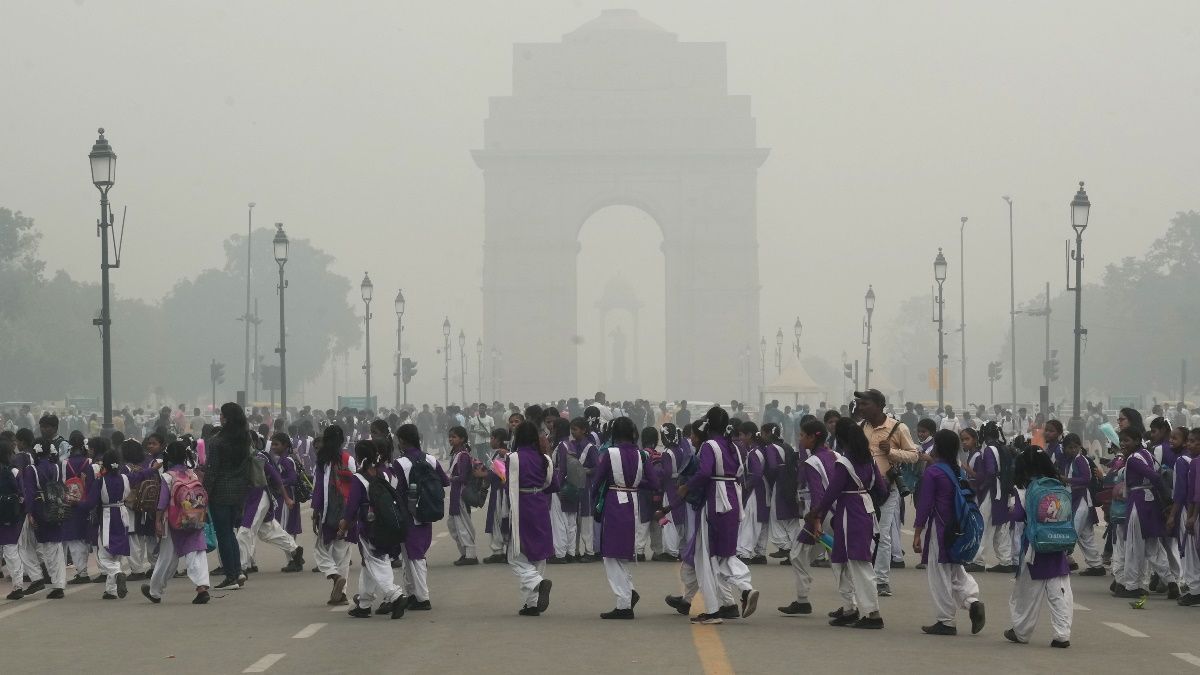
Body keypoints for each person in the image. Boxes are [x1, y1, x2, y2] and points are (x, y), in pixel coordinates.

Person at [805, 417, 887, 629]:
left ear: (840, 439)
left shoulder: (844, 463)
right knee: (840, 560)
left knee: (859, 563)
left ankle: (873, 613)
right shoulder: (869, 459)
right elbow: (882, 489)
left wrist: (817, 515)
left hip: (849, 513)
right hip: (864, 508)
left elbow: (831, 493)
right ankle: (850, 608)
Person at [680, 406, 760, 625]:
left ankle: (718, 607)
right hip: (733, 499)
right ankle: (741, 591)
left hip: (715, 500)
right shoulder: (732, 446)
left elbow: (705, 472)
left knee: (705, 555)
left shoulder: (709, 445)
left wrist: (688, 486)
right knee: (723, 552)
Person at [912, 429, 985, 636]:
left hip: (941, 527)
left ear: (938, 447)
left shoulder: (933, 472)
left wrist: (917, 533)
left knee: (939, 573)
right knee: (955, 570)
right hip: (959, 527)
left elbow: (924, 507)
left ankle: (946, 621)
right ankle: (972, 602)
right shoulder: (958, 470)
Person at [591, 416, 659, 619]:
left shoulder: (610, 454)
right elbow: (654, 483)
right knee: (622, 552)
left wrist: (596, 500)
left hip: (614, 500)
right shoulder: (642, 455)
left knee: (611, 554)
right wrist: (636, 483)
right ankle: (628, 592)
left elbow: (598, 481)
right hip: (633, 502)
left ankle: (624, 603)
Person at [1004, 448, 1073, 648]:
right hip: (1057, 543)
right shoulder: (1058, 487)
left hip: (1034, 547)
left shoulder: (1024, 489)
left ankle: (1021, 632)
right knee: (1060, 591)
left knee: (1026, 593)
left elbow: (1016, 516)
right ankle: (1062, 634)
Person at [853, 389, 919, 598]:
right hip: (863, 489)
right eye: (860, 404)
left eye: (865, 404)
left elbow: (913, 455)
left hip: (887, 488)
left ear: (879, 406)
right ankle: (865, 577)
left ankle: (881, 580)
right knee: (864, 534)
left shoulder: (898, 428)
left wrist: (891, 452)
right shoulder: (859, 428)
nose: (860, 408)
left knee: (882, 534)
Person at [340, 440, 408, 619]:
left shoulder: (358, 478)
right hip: (385, 524)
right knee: (368, 564)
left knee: (376, 561)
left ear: (360, 457)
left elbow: (352, 506)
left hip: (368, 527)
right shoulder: (382, 475)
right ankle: (364, 603)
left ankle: (395, 595)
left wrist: (344, 526)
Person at [142, 441, 211, 605]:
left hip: (173, 521)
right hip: (194, 517)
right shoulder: (192, 474)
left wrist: (158, 522)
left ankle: (155, 591)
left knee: (167, 557)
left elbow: (162, 502)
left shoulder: (168, 476)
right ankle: (202, 587)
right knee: (197, 551)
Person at [1114, 426, 1179, 598]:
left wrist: (1167, 498)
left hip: (1138, 503)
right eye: (1121, 440)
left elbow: (1155, 477)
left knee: (1134, 547)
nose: (1123, 444)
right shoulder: (1147, 455)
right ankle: (1171, 582)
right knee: (1154, 548)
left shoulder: (1134, 459)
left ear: (1137, 441)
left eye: (1127, 440)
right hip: (1150, 503)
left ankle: (1132, 586)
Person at [780, 418, 834, 616]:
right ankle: (850, 604)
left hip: (819, 516)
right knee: (837, 559)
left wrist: (816, 520)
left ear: (812, 437)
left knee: (797, 554)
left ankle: (803, 600)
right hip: (833, 514)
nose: (800, 438)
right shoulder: (832, 455)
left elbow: (818, 493)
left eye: (802, 435)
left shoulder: (812, 462)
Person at [393, 423, 449, 610]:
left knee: (414, 556)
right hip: (427, 511)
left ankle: (422, 597)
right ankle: (412, 593)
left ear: (401, 440)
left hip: (408, 514)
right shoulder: (430, 459)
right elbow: (445, 481)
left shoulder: (400, 463)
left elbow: (397, 490)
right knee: (413, 555)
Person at [506, 420, 558, 616]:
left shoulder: (514, 457)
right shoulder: (545, 458)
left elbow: (509, 486)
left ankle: (538, 583)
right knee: (538, 555)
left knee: (516, 555)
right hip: (540, 504)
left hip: (522, 505)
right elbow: (552, 484)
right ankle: (531, 603)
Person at [202, 402, 252, 591]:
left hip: (220, 492)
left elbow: (212, 471)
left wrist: (205, 492)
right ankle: (238, 570)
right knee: (230, 532)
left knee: (223, 534)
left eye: (222, 414)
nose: (220, 417)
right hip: (238, 491)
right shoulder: (244, 439)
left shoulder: (217, 441)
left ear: (227, 418)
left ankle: (231, 575)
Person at [21, 433, 69, 599]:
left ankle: (38, 577)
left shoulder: (31, 469)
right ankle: (59, 583)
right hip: (55, 507)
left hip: (40, 509)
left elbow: (30, 493)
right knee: (55, 548)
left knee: (25, 545)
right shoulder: (55, 467)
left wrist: (29, 513)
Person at [312, 424, 354, 604]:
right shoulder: (348, 458)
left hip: (328, 512)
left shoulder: (322, 460)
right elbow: (356, 486)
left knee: (320, 549)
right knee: (343, 554)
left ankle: (334, 575)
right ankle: (342, 593)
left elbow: (318, 489)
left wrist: (316, 511)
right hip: (346, 511)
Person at [1061, 433, 1105, 576]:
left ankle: (1061, 562)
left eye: (1075, 447)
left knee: (1072, 531)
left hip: (1081, 500)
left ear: (1080, 447)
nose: (1072, 450)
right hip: (1078, 500)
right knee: (1085, 535)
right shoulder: (1072, 461)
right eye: (1069, 447)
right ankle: (1096, 564)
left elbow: (1086, 479)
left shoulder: (1080, 460)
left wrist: (1067, 480)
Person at [736, 421, 769, 564]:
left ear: (749, 435)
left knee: (749, 521)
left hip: (756, 491)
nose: (740, 438)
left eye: (742, 435)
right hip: (764, 490)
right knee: (761, 522)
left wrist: (746, 486)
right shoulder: (761, 450)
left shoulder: (754, 453)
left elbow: (756, 474)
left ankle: (744, 552)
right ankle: (760, 552)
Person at [446, 425, 478, 565]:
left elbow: (463, 477)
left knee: (463, 524)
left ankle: (470, 555)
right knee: (454, 524)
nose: (451, 439)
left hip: (460, 494)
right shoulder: (456, 454)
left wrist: (450, 478)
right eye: (450, 437)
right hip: (455, 493)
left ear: (462, 439)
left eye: (454, 437)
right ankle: (465, 553)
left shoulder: (463, 455)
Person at [0, 439, 27, 599]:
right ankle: (17, 586)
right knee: (11, 550)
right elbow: (22, 494)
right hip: (11, 515)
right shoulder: (14, 471)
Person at [482, 427, 511, 564]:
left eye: (492, 438)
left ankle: (503, 550)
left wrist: (485, 474)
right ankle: (498, 550)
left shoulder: (503, 455)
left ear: (498, 440)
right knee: (496, 521)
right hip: (496, 492)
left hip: (501, 493)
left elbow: (503, 475)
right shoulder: (495, 454)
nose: (490, 441)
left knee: (501, 520)